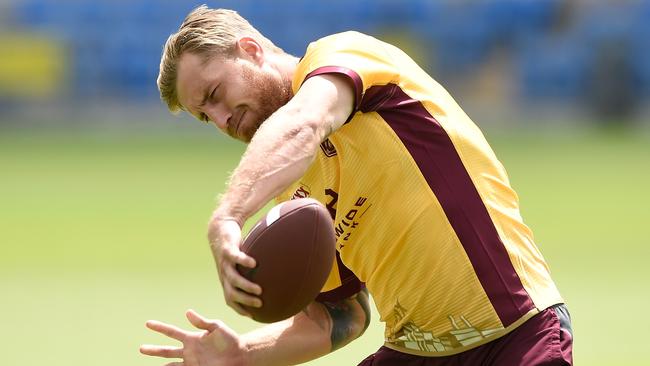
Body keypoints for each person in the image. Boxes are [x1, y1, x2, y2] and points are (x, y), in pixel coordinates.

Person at [140, 5, 573, 366]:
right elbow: (338, 316)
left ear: (251, 50)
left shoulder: (344, 54)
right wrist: (241, 356)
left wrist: (228, 215)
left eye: (215, 94)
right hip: (415, 351)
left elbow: (307, 122)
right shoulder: (293, 197)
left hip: (515, 332)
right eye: (203, 116)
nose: (219, 119)